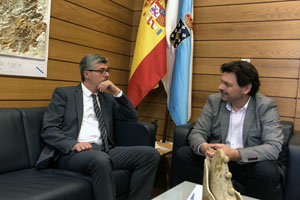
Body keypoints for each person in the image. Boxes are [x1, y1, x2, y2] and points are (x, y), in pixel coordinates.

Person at [36, 54, 160, 200]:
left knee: (150, 154)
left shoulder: (106, 98)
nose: (106, 75)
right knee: (100, 159)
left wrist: (117, 92)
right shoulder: (64, 94)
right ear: (86, 73)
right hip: (71, 154)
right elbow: (49, 129)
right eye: (101, 71)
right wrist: (74, 144)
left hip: (105, 150)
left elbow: (131, 117)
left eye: (107, 71)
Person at [176, 61, 284, 200]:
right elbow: (198, 132)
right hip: (216, 162)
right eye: (222, 82)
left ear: (246, 89)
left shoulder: (265, 106)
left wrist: (235, 154)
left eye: (227, 84)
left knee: (267, 171)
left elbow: (273, 147)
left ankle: (231, 192)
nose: (220, 87)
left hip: (247, 164)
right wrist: (204, 147)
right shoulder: (214, 101)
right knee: (183, 155)